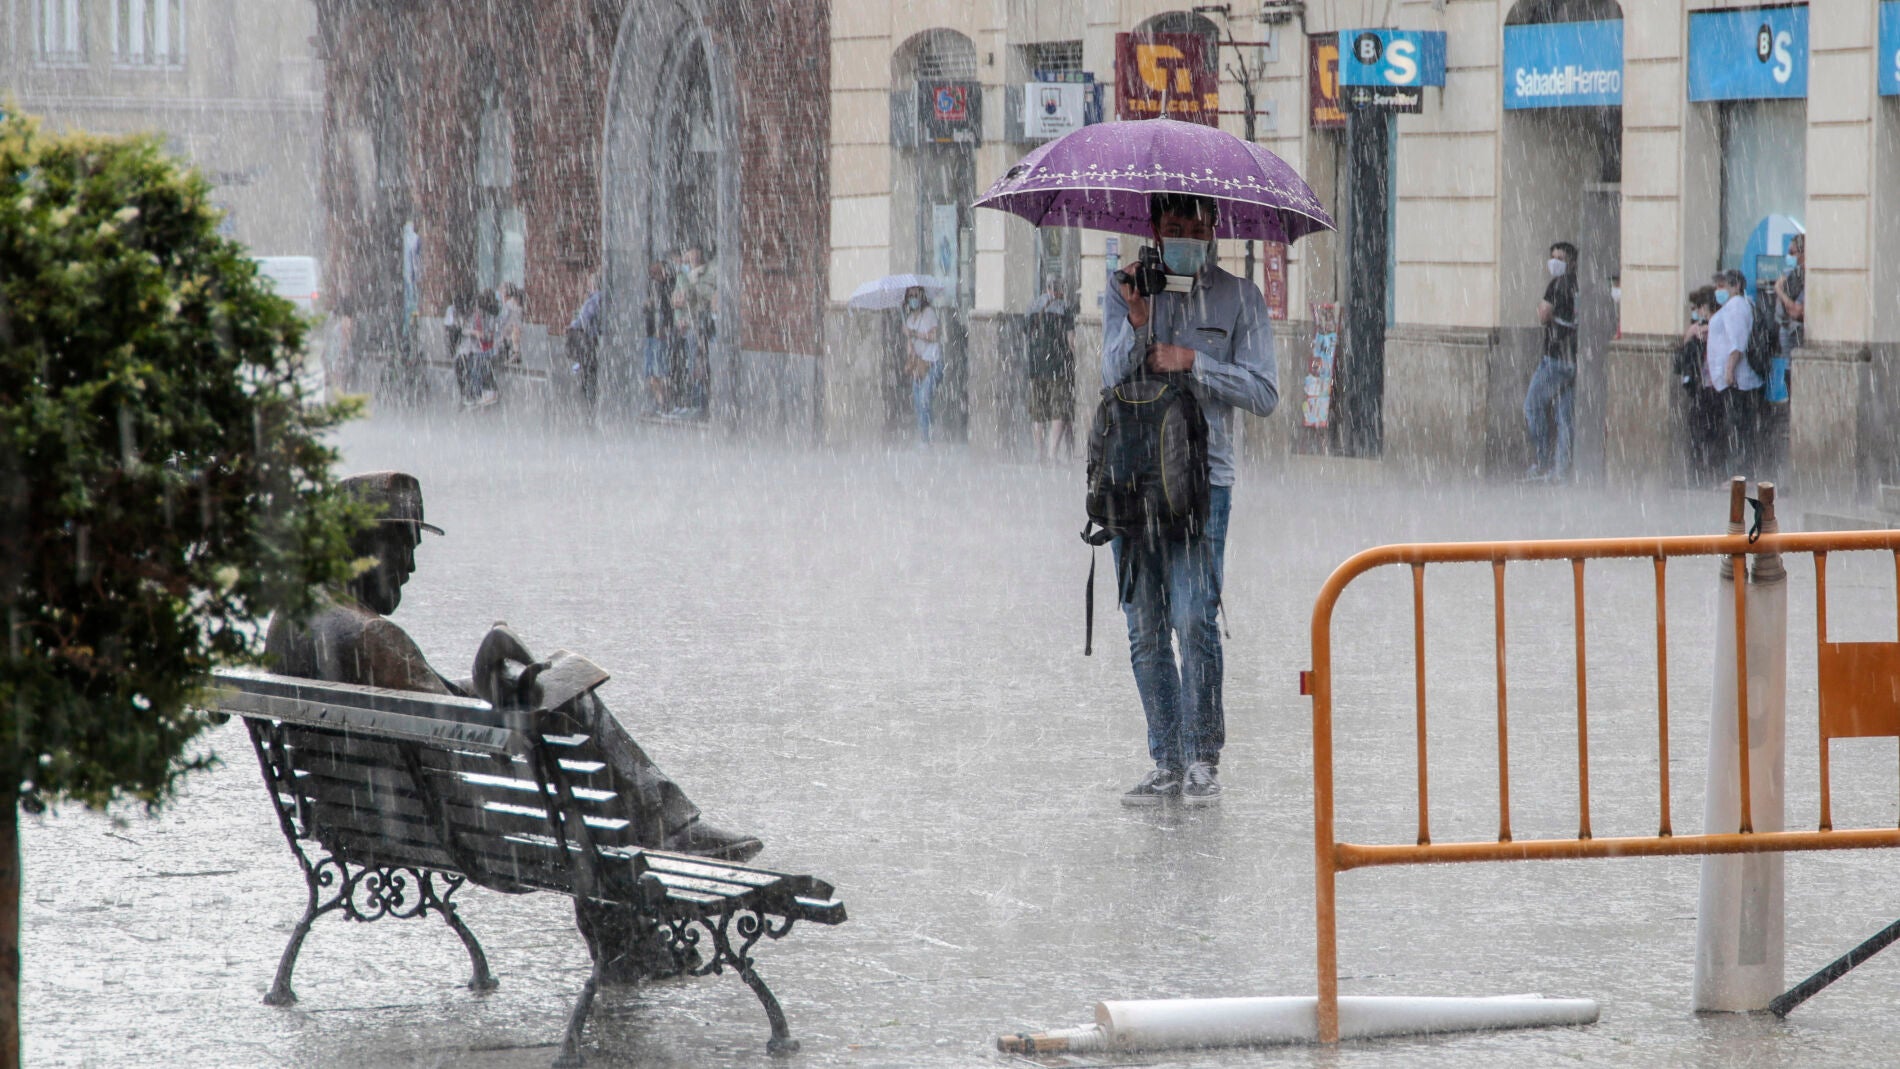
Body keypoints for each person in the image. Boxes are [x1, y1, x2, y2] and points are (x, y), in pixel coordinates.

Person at [266, 472, 764, 977]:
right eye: (402, 549)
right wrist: (523, 690)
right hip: (465, 829)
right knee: (574, 732)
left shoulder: (291, 621)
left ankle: (645, 903)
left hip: (358, 818)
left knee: (563, 732)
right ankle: (665, 846)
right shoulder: (374, 635)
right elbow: (468, 741)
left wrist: (489, 683)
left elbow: (427, 708)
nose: (412, 568)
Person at [1104, 192, 1278, 807]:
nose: (1181, 235)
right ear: (1153, 227)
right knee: (1145, 627)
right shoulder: (1126, 288)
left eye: (1193, 225)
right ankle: (1167, 761)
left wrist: (1193, 362)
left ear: (1213, 227)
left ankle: (1203, 758)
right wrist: (1139, 323)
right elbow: (1110, 377)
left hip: (1204, 485)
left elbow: (1263, 392)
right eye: (1170, 226)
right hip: (1132, 483)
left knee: (1192, 615)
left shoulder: (1241, 298)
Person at [1523, 241, 1578, 480]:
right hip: (1572, 359)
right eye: (1553, 257)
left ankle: (1543, 462)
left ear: (1572, 262)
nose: (1555, 262)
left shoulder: (1558, 284)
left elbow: (1544, 314)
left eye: (1561, 258)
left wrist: (1541, 308)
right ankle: (1561, 472)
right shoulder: (1578, 285)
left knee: (1532, 406)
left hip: (1555, 358)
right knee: (1564, 417)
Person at [1707, 267, 1762, 473]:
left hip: (1737, 381)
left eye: (1722, 285)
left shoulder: (1737, 306)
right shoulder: (1733, 306)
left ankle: (1739, 473)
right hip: (1734, 381)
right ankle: (1739, 472)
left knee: (1738, 428)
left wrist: (1729, 371)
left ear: (1736, 286)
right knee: (1738, 427)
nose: (1718, 290)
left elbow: (1737, 343)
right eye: (1717, 286)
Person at [1024, 275, 1077, 461]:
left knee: (1038, 412)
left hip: (1036, 366)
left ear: (1046, 288)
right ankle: (1052, 453)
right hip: (1058, 366)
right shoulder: (1065, 309)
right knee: (1059, 408)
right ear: (1061, 289)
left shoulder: (1032, 307)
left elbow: (1027, 335)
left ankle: (1039, 454)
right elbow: (1071, 341)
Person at [1676, 286, 1723, 482]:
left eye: (1697, 307)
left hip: (1715, 386)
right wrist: (1689, 338)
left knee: (1710, 432)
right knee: (1699, 432)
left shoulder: (1719, 323)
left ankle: (1708, 473)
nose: (1695, 312)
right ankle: (1700, 473)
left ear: (1704, 307)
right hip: (1702, 387)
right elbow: (1681, 362)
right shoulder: (1697, 330)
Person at [901, 286, 943, 444]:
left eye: (915, 295)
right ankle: (927, 435)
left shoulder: (929, 314)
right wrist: (910, 349)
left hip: (932, 363)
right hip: (918, 365)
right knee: (919, 403)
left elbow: (934, 335)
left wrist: (913, 334)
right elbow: (910, 347)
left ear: (921, 296)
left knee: (925, 399)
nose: (913, 298)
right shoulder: (909, 320)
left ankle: (927, 439)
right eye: (910, 295)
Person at [567, 272, 603, 412]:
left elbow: (584, 318)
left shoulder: (594, 299)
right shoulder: (597, 299)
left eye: (589, 283)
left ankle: (589, 400)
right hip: (591, 339)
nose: (588, 286)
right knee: (588, 368)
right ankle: (589, 395)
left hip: (589, 339)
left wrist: (573, 326)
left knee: (588, 368)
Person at [643, 261, 673, 412]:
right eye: (651, 275)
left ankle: (663, 402)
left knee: (659, 371)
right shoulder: (653, 289)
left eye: (655, 274)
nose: (653, 278)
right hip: (651, 334)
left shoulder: (665, 288)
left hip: (658, 335)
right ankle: (659, 402)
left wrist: (663, 327)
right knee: (652, 372)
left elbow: (666, 311)